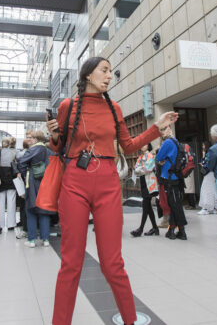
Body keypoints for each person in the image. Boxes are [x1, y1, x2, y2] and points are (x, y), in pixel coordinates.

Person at [46, 56, 178, 325]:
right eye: (104, 71)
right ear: (87, 76)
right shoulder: (67, 106)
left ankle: (130, 321)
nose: (109, 76)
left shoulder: (114, 108)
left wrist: (157, 128)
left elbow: (128, 146)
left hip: (108, 183)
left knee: (112, 263)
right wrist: (55, 136)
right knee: (71, 263)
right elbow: (59, 147)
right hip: (74, 182)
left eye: (110, 72)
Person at [17, 130, 51, 247]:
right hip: (46, 183)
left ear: (36, 139)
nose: (29, 140)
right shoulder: (48, 151)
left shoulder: (33, 150)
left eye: (31, 138)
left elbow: (21, 163)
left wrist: (24, 173)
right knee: (44, 210)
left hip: (32, 182)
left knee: (31, 209)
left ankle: (31, 239)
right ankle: (45, 239)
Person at [155, 126, 188, 241]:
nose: (161, 132)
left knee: (175, 205)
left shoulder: (167, 142)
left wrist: (161, 159)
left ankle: (182, 231)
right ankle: (172, 230)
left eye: (163, 129)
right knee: (174, 204)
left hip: (169, 176)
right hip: (175, 176)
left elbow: (158, 157)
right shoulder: (175, 141)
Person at [130, 144, 159, 237]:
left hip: (149, 182)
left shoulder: (150, 155)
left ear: (148, 146)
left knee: (145, 205)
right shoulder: (140, 157)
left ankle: (140, 229)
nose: (142, 146)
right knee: (148, 207)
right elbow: (136, 169)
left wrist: (139, 169)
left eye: (145, 144)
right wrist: (140, 169)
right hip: (143, 182)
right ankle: (155, 228)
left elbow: (147, 169)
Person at [199, 125, 217, 215]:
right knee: (213, 190)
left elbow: (209, 165)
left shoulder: (213, 149)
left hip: (211, 173)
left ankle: (206, 208)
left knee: (206, 190)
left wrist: (203, 169)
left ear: (215, 135)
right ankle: (213, 208)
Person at [0, 137, 17, 231]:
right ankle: (11, 224)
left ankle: (0, 223)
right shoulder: (13, 152)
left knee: (0, 201)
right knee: (11, 201)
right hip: (11, 178)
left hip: (0, 178)